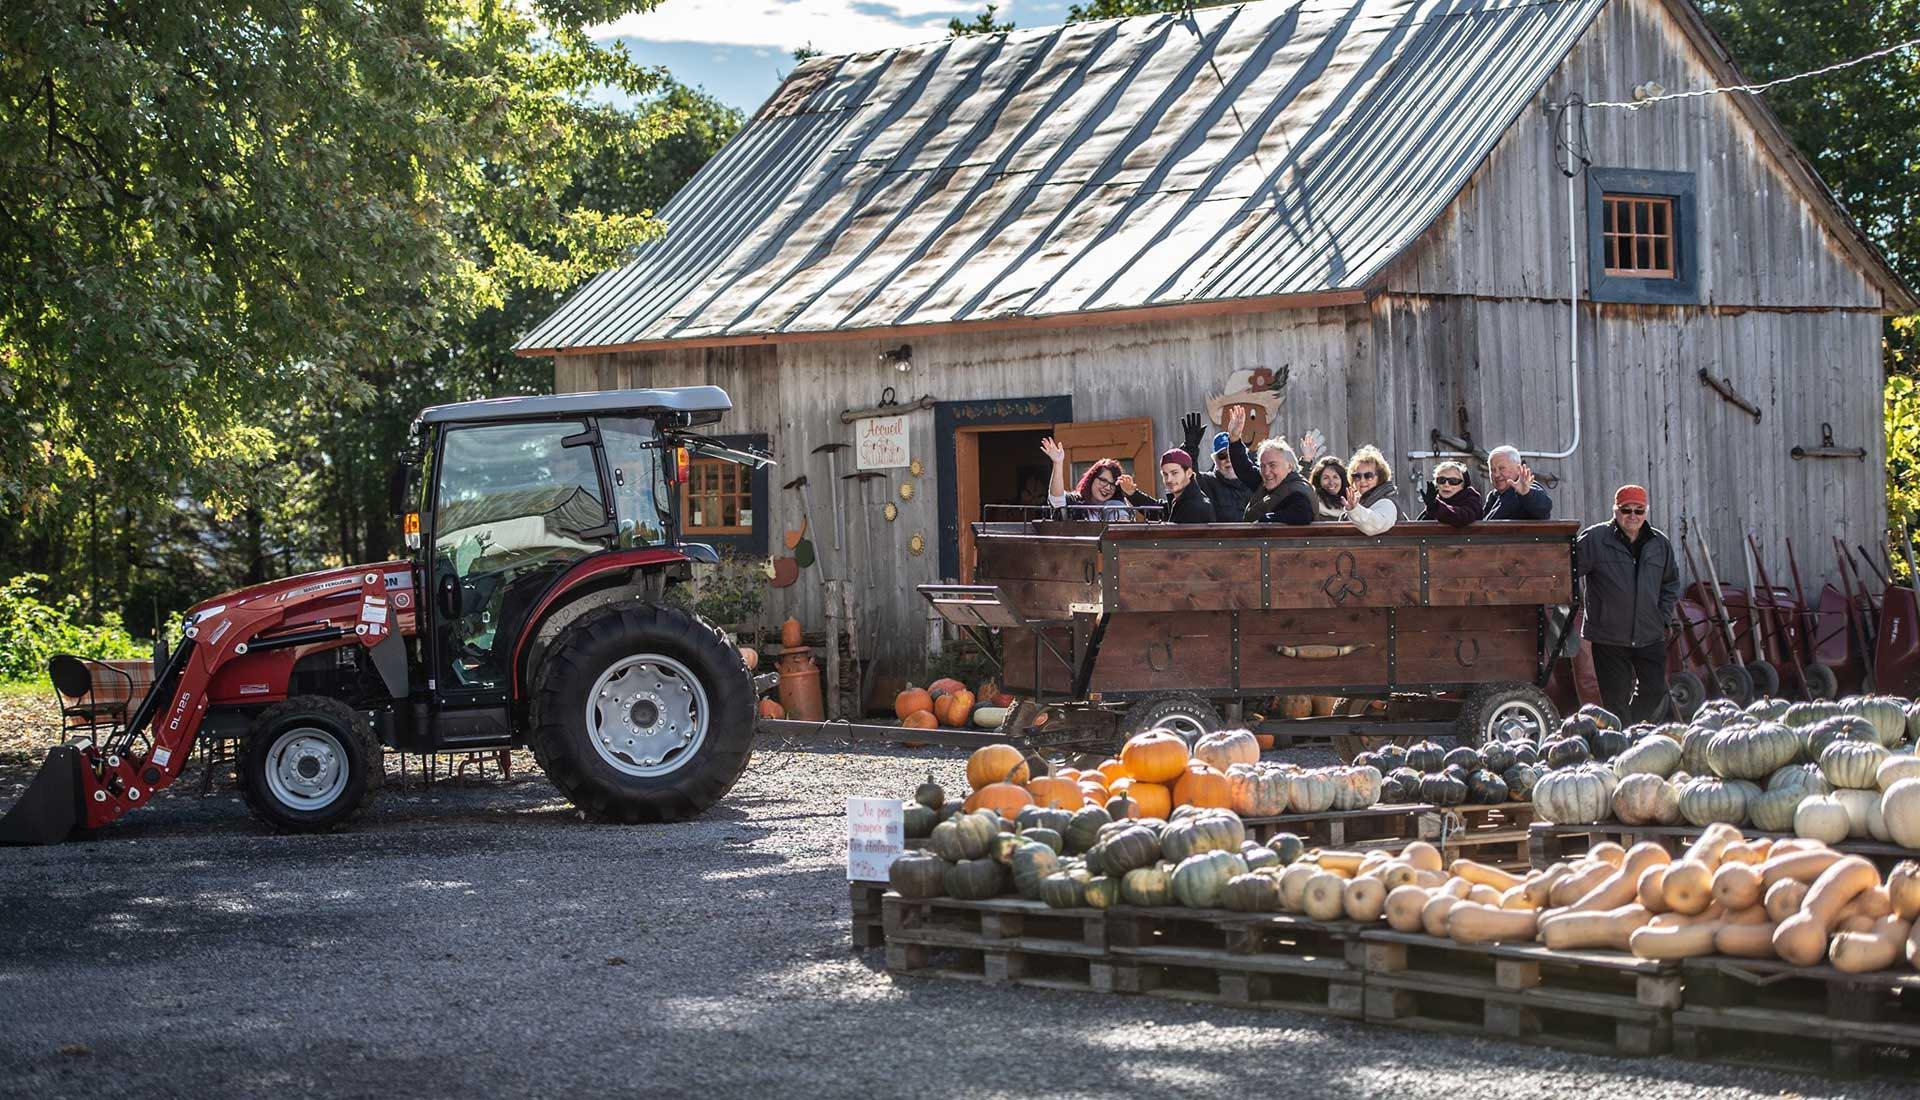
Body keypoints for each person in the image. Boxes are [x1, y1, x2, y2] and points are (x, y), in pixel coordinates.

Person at [1575, 485, 1681, 723]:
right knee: (1615, 699)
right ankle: (1621, 748)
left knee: (1655, 691)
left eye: (1639, 510)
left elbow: (1671, 583)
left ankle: (1631, 729)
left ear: (1646, 511)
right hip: (1608, 637)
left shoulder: (1659, 544)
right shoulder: (1594, 540)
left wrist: (1662, 616)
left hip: (1649, 633)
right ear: (1615, 510)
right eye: (1626, 510)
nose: (1633, 516)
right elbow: (1567, 573)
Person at [1180, 408, 1253, 522]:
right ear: (1215, 460)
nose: (1229, 460)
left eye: (1233, 455)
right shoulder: (1208, 482)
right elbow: (1187, 476)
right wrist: (1190, 448)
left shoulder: (1253, 481)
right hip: (1220, 539)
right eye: (1222, 456)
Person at [1040, 439, 1138, 518]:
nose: (1108, 488)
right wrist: (1058, 463)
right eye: (1103, 481)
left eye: (1113, 484)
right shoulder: (1075, 502)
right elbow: (1056, 499)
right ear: (1092, 479)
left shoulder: (1118, 506)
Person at [1123, 448, 1214, 523]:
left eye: (1174, 473)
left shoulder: (1195, 507)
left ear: (1189, 473)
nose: (1169, 479)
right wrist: (1132, 493)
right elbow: (1158, 510)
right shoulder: (1181, 501)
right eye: (1165, 474)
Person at [1238, 438, 1313, 524]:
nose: (1266, 472)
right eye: (1262, 466)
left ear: (1289, 466)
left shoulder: (1298, 491)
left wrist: (1265, 519)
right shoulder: (1269, 483)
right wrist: (1234, 439)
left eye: (1272, 465)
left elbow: (1302, 515)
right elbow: (1243, 468)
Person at [1483, 444, 1553, 520]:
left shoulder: (1527, 488)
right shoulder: (1493, 497)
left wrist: (1527, 494)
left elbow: (1543, 508)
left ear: (1518, 469)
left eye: (1502, 468)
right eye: (1493, 470)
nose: (1496, 475)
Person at [1341, 446, 1398, 534]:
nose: (1362, 480)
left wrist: (1355, 510)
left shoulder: (1387, 503)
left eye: (1369, 476)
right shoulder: (1358, 503)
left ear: (1380, 477)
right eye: (1357, 476)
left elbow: (1375, 525)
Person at [1417, 459, 1483, 527]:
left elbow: (1462, 517)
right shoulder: (1434, 502)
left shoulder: (1472, 499)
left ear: (1464, 485)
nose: (1446, 484)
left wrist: (1435, 506)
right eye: (1441, 480)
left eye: (1453, 481)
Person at [1308, 456, 1349, 521]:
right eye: (1326, 478)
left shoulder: (1352, 503)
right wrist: (1306, 461)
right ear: (1318, 481)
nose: (1331, 482)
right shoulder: (1312, 504)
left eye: (1335, 477)